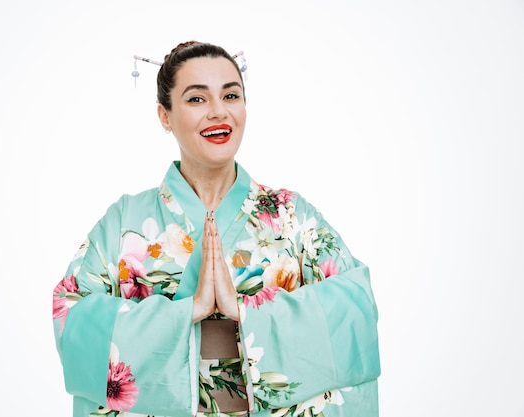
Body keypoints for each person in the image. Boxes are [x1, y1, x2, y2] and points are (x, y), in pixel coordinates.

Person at [52, 40, 380, 417]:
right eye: (196, 99)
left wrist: (245, 311)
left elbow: (356, 311)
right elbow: (70, 316)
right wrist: (186, 313)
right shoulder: (124, 222)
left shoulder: (291, 216)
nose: (219, 111)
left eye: (231, 95)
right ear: (165, 115)